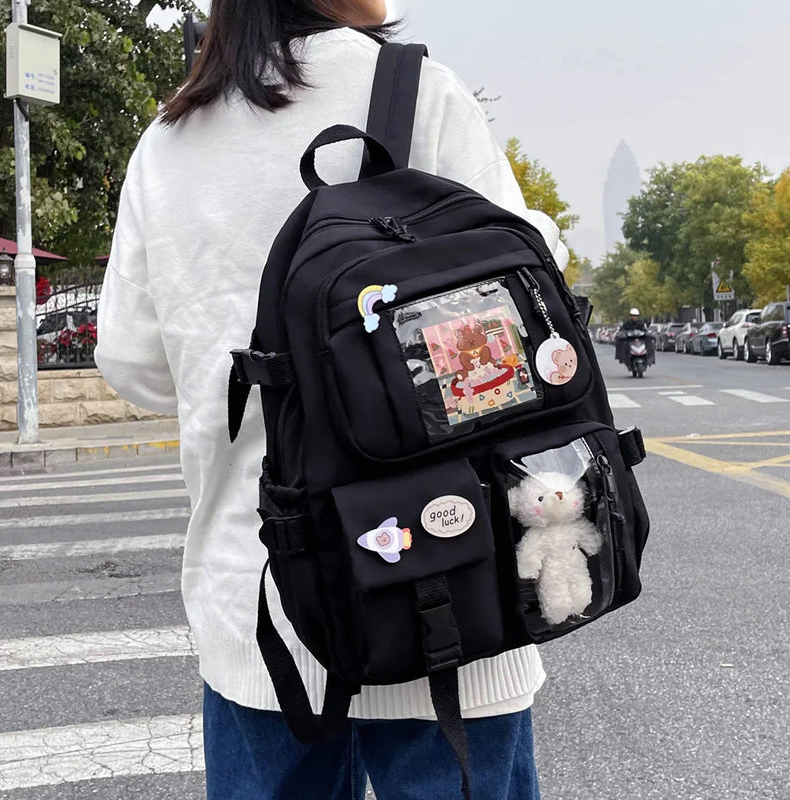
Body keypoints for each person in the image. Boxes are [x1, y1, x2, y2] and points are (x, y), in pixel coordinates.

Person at [94, 2, 569, 798]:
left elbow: (133, 364)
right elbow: (525, 298)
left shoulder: (168, 142)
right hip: (443, 583)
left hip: (260, 602)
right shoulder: (419, 94)